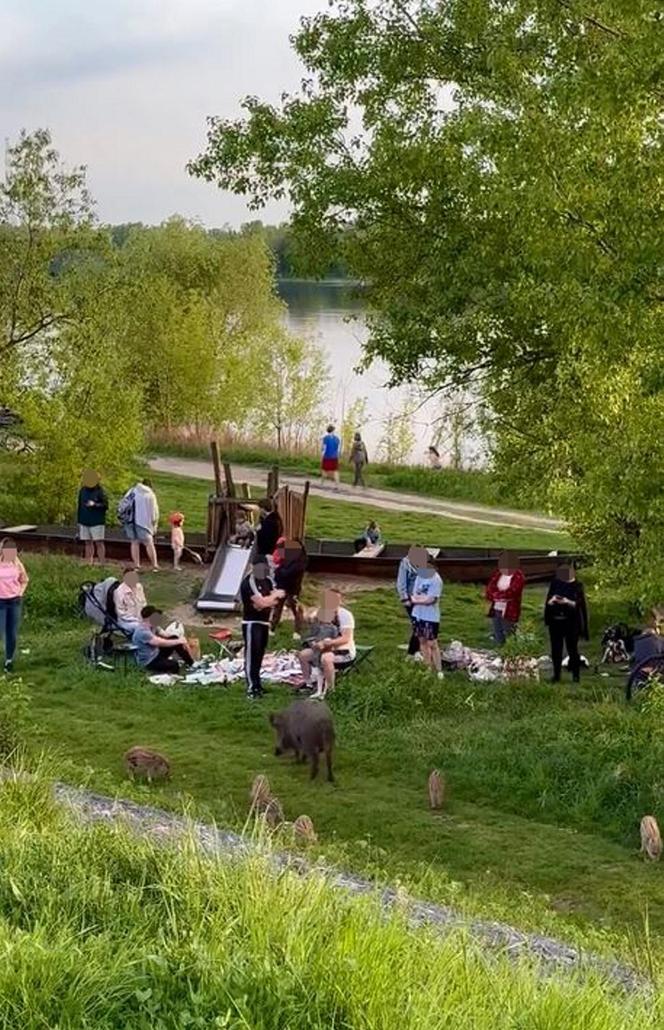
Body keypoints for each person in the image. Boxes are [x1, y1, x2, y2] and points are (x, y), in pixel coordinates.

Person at [240, 557, 285, 699]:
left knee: (260, 654)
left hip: (265, 622)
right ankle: (251, 687)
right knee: (251, 655)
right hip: (251, 622)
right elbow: (261, 603)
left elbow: (279, 595)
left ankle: (258, 684)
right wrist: (270, 599)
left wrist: (270, 599)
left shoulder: (268, 580)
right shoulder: (249, 582)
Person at [298, 589, 356, 698]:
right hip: (321, 647)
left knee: (326, 658)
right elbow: (312, 632)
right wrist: (313, 642)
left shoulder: (345, 615)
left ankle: (330, 690)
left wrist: (327, 644)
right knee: (303, 655)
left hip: (343, 650)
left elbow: (345, 638)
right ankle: (308, 684)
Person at [544, 565, 589, 683]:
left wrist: (567, 601)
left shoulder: (577, 586)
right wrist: (553, 600)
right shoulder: (555, 583)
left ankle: (576, 675)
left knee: (572, 649)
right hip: (555, 621)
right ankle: (556, 674)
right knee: (556, 649)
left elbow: (579, 605)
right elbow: (548, 602)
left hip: (571, 622)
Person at [132, 605, 194, 674]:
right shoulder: (143, 631)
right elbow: (160, 643)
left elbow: (166, 635)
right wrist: (179, 641)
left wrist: (179, 637)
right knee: (174, 665)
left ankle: (191, 663)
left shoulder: (153, 626)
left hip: (156, 653)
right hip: (149, 661)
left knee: (174, 638)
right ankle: (169, 676)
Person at [410, 559, 444, 677]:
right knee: (422, 641)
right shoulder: (420, 577)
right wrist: (419, 600)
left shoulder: (436, 579)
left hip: (430, 617)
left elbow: (431, 600)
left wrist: (420, 600)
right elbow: (414, 596)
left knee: (432, 643)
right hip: (417, 614)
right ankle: (427, 667)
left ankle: (439, 670)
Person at [0, 538, 29, 674]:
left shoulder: (17, 564)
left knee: (11, 633)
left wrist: (20, 593)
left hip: (14, 601)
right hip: (1, 602)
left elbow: (24, 580)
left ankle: (9, 661)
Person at [119, 478, 160, 571]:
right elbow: (154, 512)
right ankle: (154, 565)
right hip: (144, 522)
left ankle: (137, 564)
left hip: (130, 520)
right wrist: (154, 523)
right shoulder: (150, 495)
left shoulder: (132, 490)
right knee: (149, 543)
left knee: (134, 542)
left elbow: (123, 504)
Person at [485, 552, 526, 644]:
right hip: (496, 607)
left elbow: (513, 591)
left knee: (509, 633)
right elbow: (490, 586)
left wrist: (498, 595)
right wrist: (494, 595)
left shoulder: (518, 576)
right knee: (497, 631)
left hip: (510, 609)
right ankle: (499, 649)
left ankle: (512, 653)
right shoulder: (498, 573)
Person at [271, 539, 307, 632]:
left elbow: (287, 572)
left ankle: (298, 629)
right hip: (282, 586)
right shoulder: (289, 557)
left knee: (295, 607)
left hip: (293, 588)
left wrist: (279, 572)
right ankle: (273, 627)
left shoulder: (300, 561)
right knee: (277, 607)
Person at [77, 469, 108, 565]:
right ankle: (88, 561)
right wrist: (79, 520)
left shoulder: (100, 491)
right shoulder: (82, 490)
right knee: (87, 542)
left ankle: (102, 562)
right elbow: (79, 506)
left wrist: (95, 504)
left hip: (96, 521)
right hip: (84, 520)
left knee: (98, 542)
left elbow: (105, 505)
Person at [396, 546, 422, 658]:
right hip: (411, 599)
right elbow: (401, 583)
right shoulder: (405, 564)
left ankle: (417, 651)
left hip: (422, 599)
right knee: (418, 626)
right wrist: (405, 598)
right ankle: (411, 653)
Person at [114, 567, 147, 635]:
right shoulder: (119, 592)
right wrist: (137, 621)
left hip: (140, 618)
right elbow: (121, 613)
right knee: (141, 627)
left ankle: (166, 636)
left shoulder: (139, 587)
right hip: (127, 621)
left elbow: (144, 603)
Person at [321, 424, 341, 489]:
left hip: (327, 456)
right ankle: (337, 485)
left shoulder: (325, 438)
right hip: (334, 456)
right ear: (333, 430)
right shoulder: (337, 439)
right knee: (335, 471)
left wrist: (322, 455)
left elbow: (324, 448)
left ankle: (322, 483)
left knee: (324, 470)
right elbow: (338, 449)